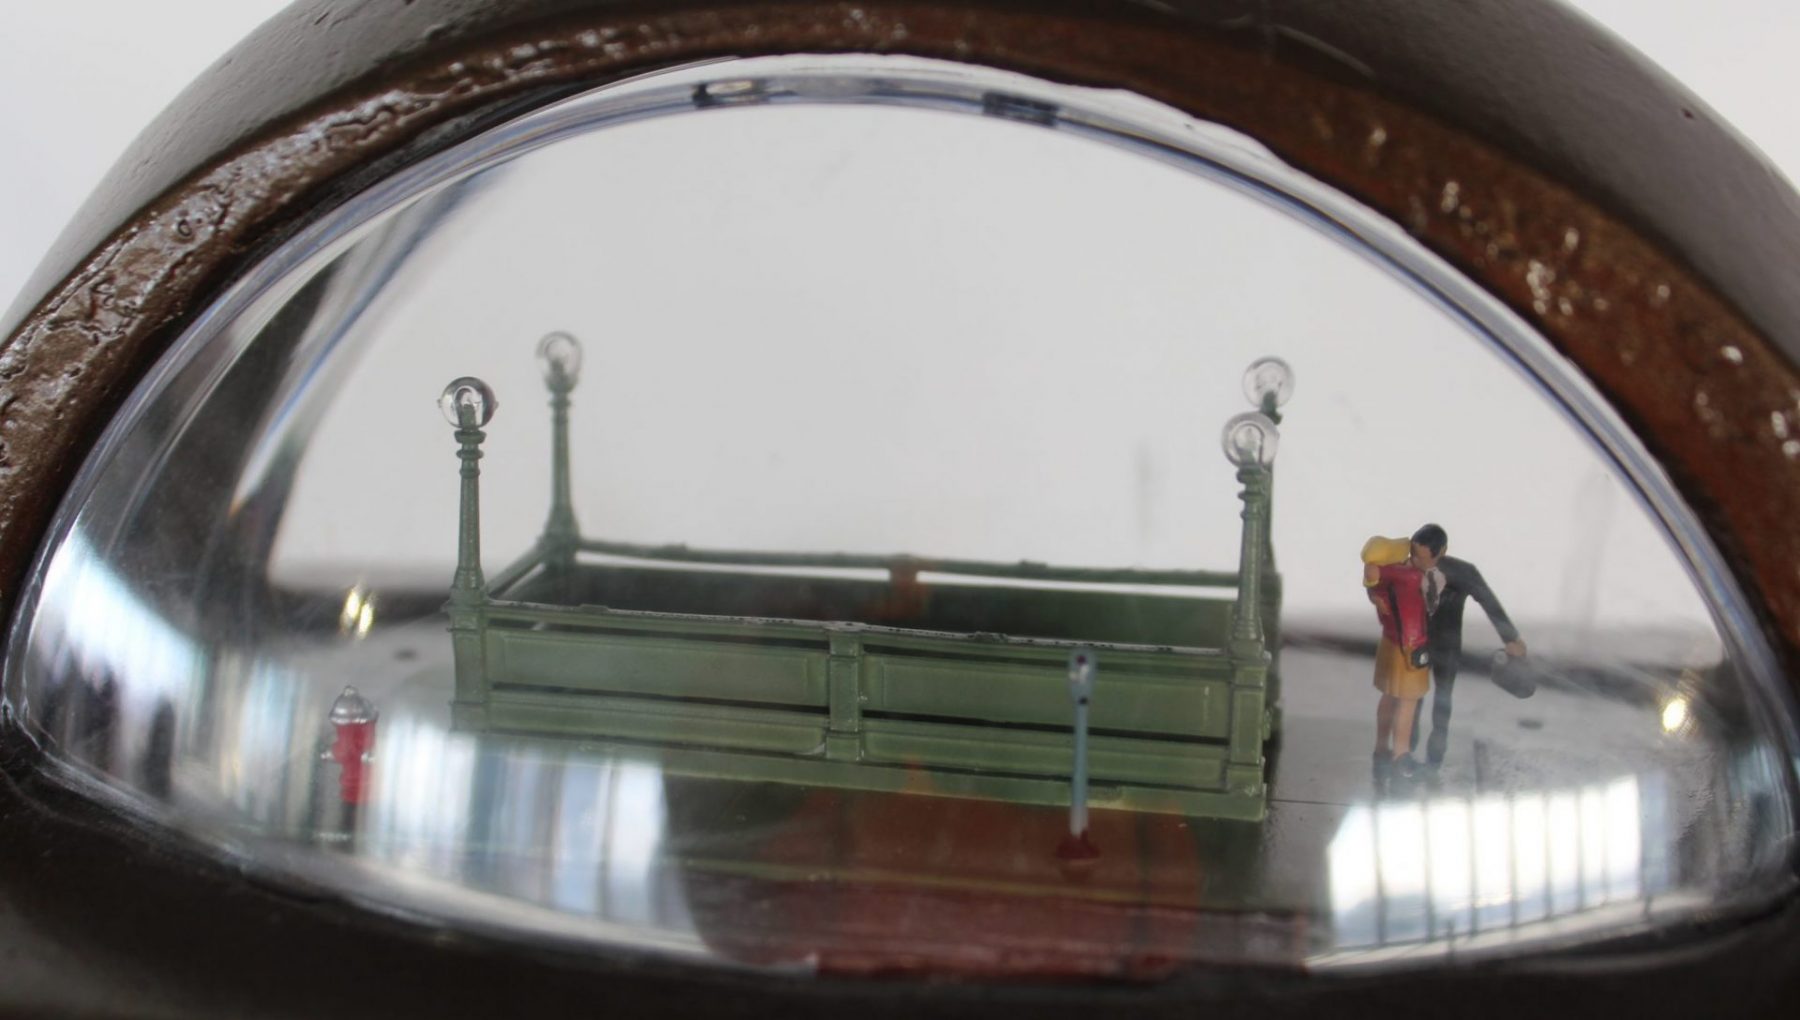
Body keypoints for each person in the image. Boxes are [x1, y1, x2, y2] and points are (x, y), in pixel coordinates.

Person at [1404, 524, 1527, 768]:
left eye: (1424, 558)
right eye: (1414, 555)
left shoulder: (1462, 572)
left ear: (1441, 552)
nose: (1417, 562)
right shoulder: (1405, 570)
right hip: (1416, 645)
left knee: (1443, 699)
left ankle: (1436, 753)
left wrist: (1510, 638)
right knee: (1412, 698)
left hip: (1447, 646)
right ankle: (1406, 749)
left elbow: (1488, 601)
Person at [1361, 535, 1433, 779]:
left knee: (1389, 696)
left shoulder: (1377, 581)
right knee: (1408, 702)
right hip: (1409, 646)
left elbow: (1373, 576)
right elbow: (1418, 581)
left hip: (1389, 642)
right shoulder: (1408, 577)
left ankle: (1381, 747)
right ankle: (1401, 755)